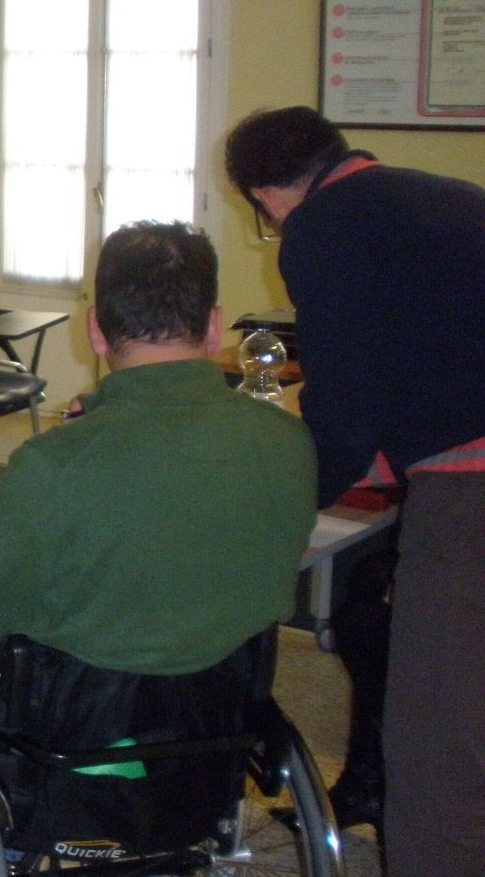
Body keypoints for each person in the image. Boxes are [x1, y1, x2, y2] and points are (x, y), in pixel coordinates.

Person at [0, 221, 316, 742]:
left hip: (74, 730)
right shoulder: (287, 442)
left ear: (96, 331)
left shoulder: (53, 463)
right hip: (214, 721)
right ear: (215, 326)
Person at [225, 106, 485, 876]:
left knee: (437, 740)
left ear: (265, 195)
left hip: (469, 488)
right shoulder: (445, 194)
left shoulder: (323, 227)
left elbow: (342, 410)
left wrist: (289, 501)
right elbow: (419, 358)